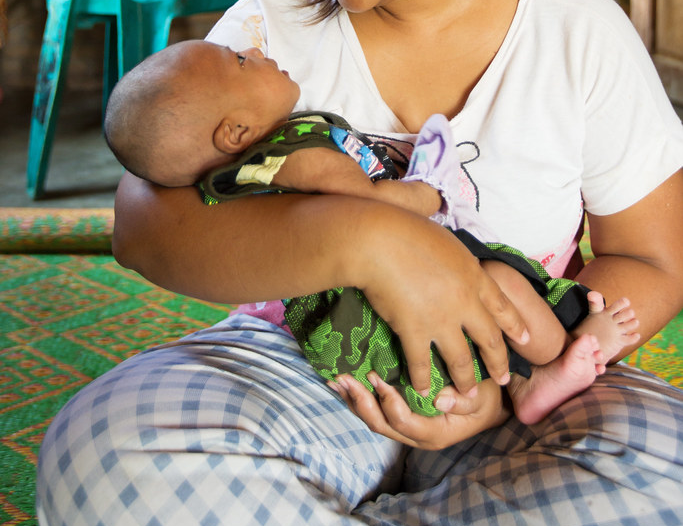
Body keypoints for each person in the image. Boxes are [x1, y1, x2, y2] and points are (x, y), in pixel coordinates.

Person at [36, 0, 683, 526]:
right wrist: (371, 242)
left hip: (520, 381)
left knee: (663, 489)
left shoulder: (578, 34)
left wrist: (509, 385)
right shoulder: (264, 41)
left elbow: (651, 263)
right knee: (106, 460)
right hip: (305, 365)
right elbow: (143, 227)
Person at [103, 38, 640, 427]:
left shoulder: (240, 171)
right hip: (401, 321)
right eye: (242, 62)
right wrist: (428, 191)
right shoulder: (295, 154)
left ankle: (530, 380)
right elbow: (367, 201)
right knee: (504, 280)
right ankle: (547, 368)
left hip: (360, 349)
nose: (255, 50)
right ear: (236, 130)